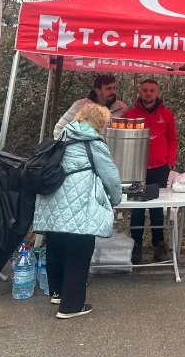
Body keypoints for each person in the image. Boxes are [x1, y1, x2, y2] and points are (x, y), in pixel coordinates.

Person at [33, 104, 122, 319]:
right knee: (79, 250)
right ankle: (71, 307)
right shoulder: (93, 142)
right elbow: (110, 175)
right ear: (100, 122)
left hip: (52, 200)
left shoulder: (63, 136)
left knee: (56, 244)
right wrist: (116, 198)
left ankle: (57, 292)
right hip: (78, 202)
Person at [123, 79, 178, 264]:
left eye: (152, 90)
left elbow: (173, 139)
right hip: (136, 169)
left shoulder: (167, 114)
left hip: (159, 169)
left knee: (156, 208)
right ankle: (136, 246)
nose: (148, 93)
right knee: (136, 208)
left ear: (158, 92)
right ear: (140, 92)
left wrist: (169, 162)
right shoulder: (130, 114)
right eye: (145, 90)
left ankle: (158, 245)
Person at [53, 73, 127, 138]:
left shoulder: (121, 108)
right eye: (108, 88)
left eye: (114, 88)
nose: (113, 91)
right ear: (97, 91)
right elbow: (59, 129)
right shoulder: (80, 105)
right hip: (84, 152)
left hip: (112, 152)